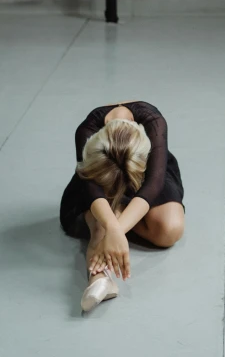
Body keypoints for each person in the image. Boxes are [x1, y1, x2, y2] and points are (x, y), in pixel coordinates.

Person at [60, 100, 184, 312]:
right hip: (102, 180)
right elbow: (93, 191)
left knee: (170, 229)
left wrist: (116, 230)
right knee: (100, 224)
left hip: (142, 173)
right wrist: (110, 227)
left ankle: (118, 219)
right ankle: (99, 279)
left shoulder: (154, 123)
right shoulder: (86, 132)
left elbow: (153, 184)